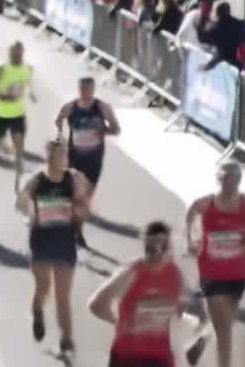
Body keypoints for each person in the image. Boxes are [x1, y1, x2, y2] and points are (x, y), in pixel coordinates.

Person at [183, 161, 245, 367]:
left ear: (238, 180)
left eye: (231, 180)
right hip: (211, 274)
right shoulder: (206, 203)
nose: (226, 184)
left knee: (224, 320)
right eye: (222, 180)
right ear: (218, 180)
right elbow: (190, 213)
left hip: (237, 276)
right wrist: (190, 240)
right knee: (224, 332)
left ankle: (201, 341)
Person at [88, 221, 206, 367]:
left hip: (137, 358)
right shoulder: (165, 274)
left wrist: (121, 323)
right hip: (142, 358)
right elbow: (95, 305)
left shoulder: (165, 274)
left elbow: (96, 306)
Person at [16, 137, 92, 358]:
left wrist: (80, 208)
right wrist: (29, 214)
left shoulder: (73, 180)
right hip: (41, 240)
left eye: (65, 156)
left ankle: (66, 339)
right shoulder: (37, 181)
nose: (64, 160)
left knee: (62, 297)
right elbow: (20, 203)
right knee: (43, 287)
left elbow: (85, 209)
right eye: (60, 156)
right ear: (50, 158)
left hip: (65, 242)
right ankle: (38, 313)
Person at [54, 76, 121, 249]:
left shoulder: (102, 108)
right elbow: (59, 119)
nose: (86, 93)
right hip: (75, 157)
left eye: (89, 90)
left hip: (94, 159)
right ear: (79, 89)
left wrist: (103, 130)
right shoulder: (71, 107)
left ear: (93, 90)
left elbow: (116, 128)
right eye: (83, 89)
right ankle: (70, 229)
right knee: (74, 195)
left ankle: (78, 229)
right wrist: (61, 139)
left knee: (86, 198)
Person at [0, 41, 37, 192]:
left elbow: (28, 84)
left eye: (18, 53)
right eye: (13, 53)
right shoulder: (1, 69)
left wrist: (32, 94)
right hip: (0, 114)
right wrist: (0, 94)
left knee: (19, 148)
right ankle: (1, 143)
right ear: (9, 53)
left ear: (22, 53)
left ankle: (18, 182)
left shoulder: (27, 69)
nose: (15, 56)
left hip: (18, 114)